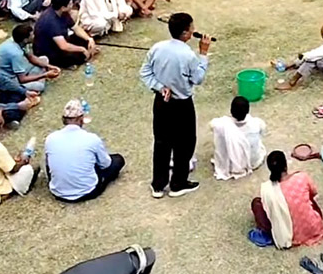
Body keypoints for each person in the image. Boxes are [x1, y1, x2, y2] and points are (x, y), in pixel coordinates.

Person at [140, 12, 212, 197]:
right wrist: (203, 54)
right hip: (182, 104)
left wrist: (159, 86)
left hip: (161, 101)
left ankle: (158, 184)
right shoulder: (188, 56)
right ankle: (178, 183)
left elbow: (145, 72)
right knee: (185, 143)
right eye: (192, 28)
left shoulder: (157, 48)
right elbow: (198, 78)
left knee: (161, 142)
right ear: (187, 33)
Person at [45, 100, 124, 202]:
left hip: (58, 192)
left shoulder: (51, 138)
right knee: (118, 160)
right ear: (81, 119)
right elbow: (106, 164)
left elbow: (48, 164)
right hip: (87, 191)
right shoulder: (91, 138)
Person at [252, 151, 323, 249]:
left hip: (291, 235)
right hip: (314, 228)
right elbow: (313, 193)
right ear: (285, 165)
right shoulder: (302, 177)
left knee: (257, 203)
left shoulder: (267, 189)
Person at [33, 0, 97, 69]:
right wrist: (82, 49)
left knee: (85, 36)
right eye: (70, 4)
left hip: (59, 41)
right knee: (78, 56)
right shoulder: (51, 21)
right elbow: (63, 46)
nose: (72, 5)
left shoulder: (63, 13)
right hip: (49, 50)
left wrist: (89, 39)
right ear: (63, 7)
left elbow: (75, 28)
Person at [0, 23, 59, 100]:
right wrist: (45, 75)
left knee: (44, 59)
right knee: (40, 86)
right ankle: (37, 82)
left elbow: (31, 57)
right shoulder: (15, 53)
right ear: (25, 39)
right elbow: (22, 79)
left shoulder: (19, 42)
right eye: (32, 35)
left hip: (19, 69)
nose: (34, 36)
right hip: (10, 79)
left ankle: (38, 78)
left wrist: (50, 67)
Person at [210, 96, 267, 181]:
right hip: (253, 162)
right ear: (248, 111)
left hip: (230, 165)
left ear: (231, 110)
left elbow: (211, 125)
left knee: (219, 136)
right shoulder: (257, 123)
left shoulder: (221, 124)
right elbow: (262, 132)